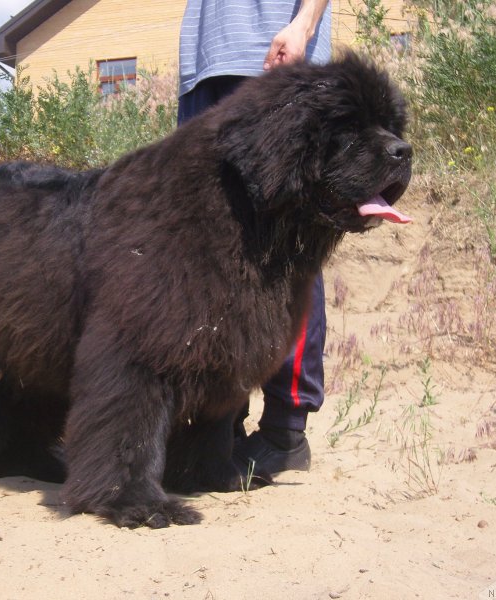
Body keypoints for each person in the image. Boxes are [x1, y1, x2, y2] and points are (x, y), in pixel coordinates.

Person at [177, 0, 332, 480]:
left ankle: (285, 431)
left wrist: (303, 25)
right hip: (205, 66)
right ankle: (222, 424)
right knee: (210, 253)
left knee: (292, 243)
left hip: (276, 57)